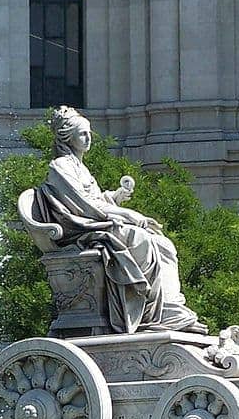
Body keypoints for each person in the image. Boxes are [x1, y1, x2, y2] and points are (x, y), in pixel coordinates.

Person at [35, 105, 206, 334]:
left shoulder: (80, 167)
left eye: (89, 133)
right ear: (68, 137)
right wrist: (131, 215)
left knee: (164, 244)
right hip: (83, 230)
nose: (88, 139)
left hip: (99, 222)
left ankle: (169, 306)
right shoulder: (60, 166)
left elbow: (94, 200)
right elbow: (84, 207)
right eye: (82, 134)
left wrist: (114, 197)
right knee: (140, 238)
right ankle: (146, 312)